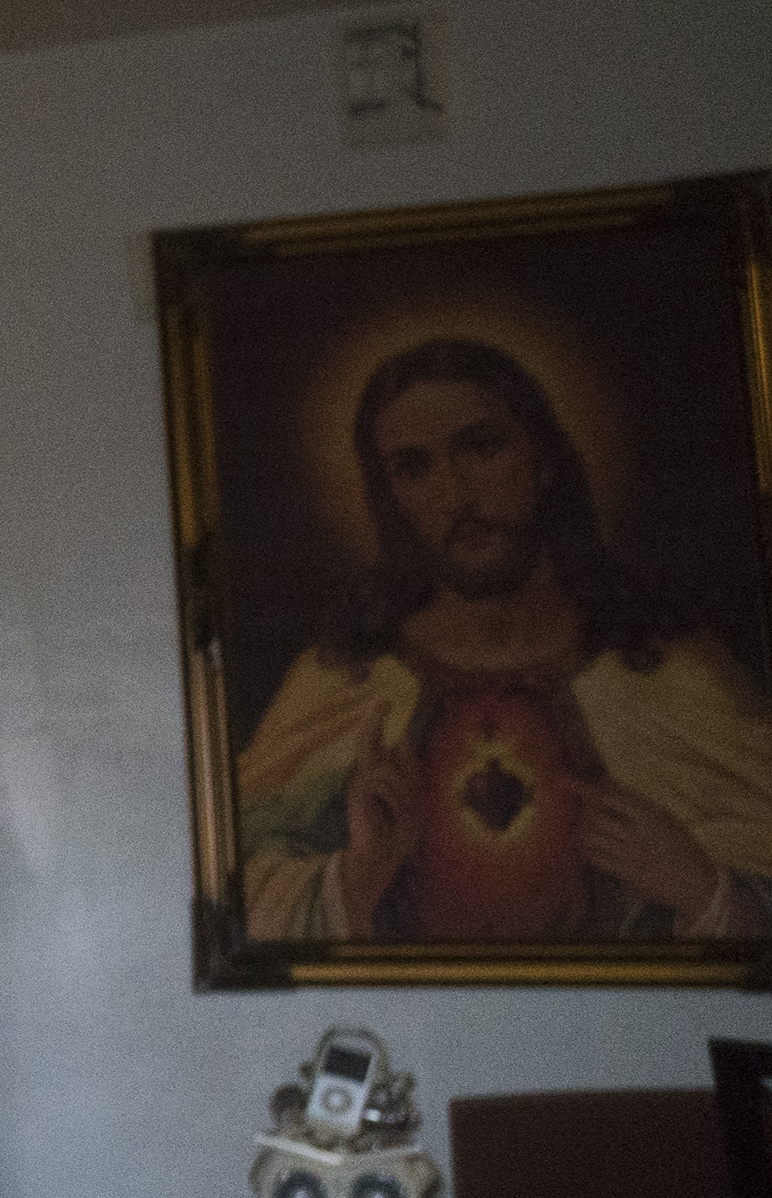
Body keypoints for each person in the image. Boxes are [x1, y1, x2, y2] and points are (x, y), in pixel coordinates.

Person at [237, 336, 772, 942]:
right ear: (391, 498)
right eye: (414, 467)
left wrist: (704, 890)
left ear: (545, 460)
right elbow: (237, 904)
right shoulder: (343, 683)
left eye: (482, 446)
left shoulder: (667, 670)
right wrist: (356, 876)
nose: (454, 494)